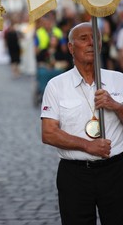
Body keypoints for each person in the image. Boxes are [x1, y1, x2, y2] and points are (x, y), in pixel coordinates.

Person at [41, 22, 123, 225]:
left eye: (94, 38)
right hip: (75, 174)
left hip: (116, 172)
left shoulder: (118, 80)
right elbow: (49, 133)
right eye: (83, 38)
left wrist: (116, 106)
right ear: (71, 47)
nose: (90, 43)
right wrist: (88, 145)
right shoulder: (56, 85)